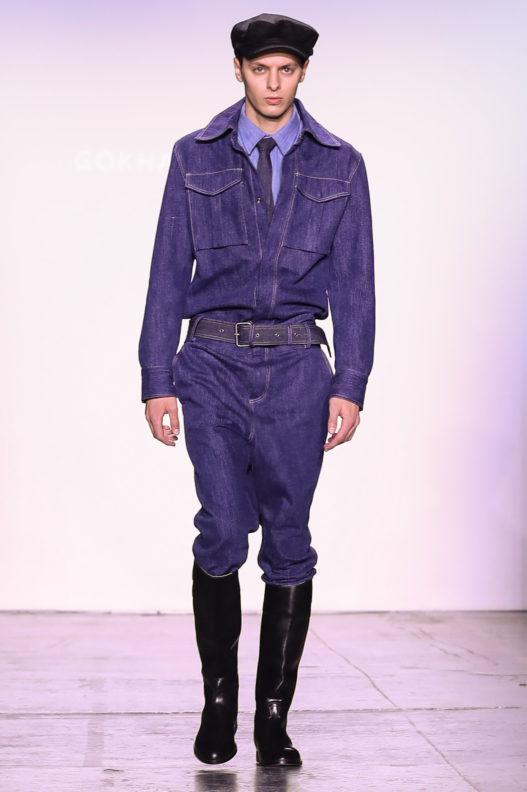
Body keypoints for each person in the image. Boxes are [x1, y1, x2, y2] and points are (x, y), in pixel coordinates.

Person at [138, 12, 375, 768]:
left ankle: (272, 716)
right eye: (260, 69)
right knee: (221, 527)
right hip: (209, 363)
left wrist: (350, 382)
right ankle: (219, 704)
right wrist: (156, 377)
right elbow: (167, 269)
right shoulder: (194, 154)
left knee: (289, 537)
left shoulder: (341, 164)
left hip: (299, 370)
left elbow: (356, 283)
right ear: (237, 69)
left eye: (286, 70)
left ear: (302, 73)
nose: (273, 84)